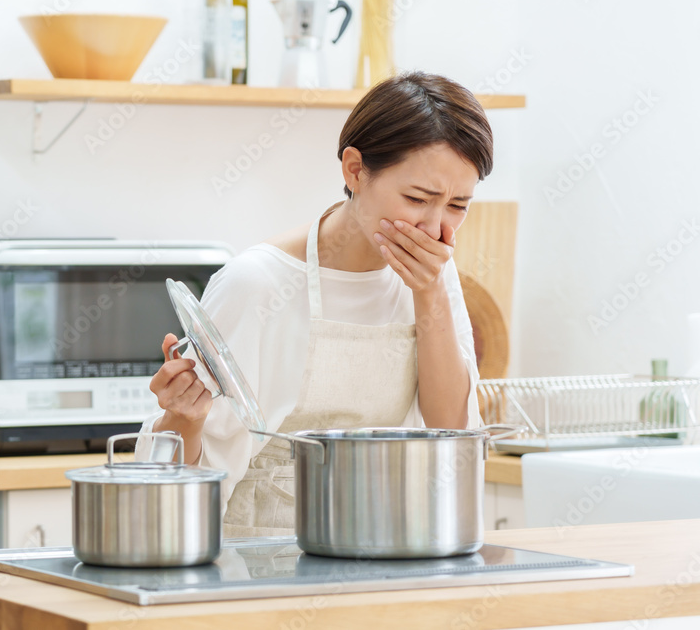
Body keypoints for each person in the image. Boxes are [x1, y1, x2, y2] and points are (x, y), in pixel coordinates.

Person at [141, 71, 493, 537]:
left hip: (387, 551)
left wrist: (428, 293)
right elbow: (175, 489)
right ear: (354, 169)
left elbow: (452, 435)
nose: (434, 227)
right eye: (417, 198)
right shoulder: (258, 285)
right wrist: (183, 416)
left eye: (458, 206)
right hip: (259, 565)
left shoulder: (433, 273)